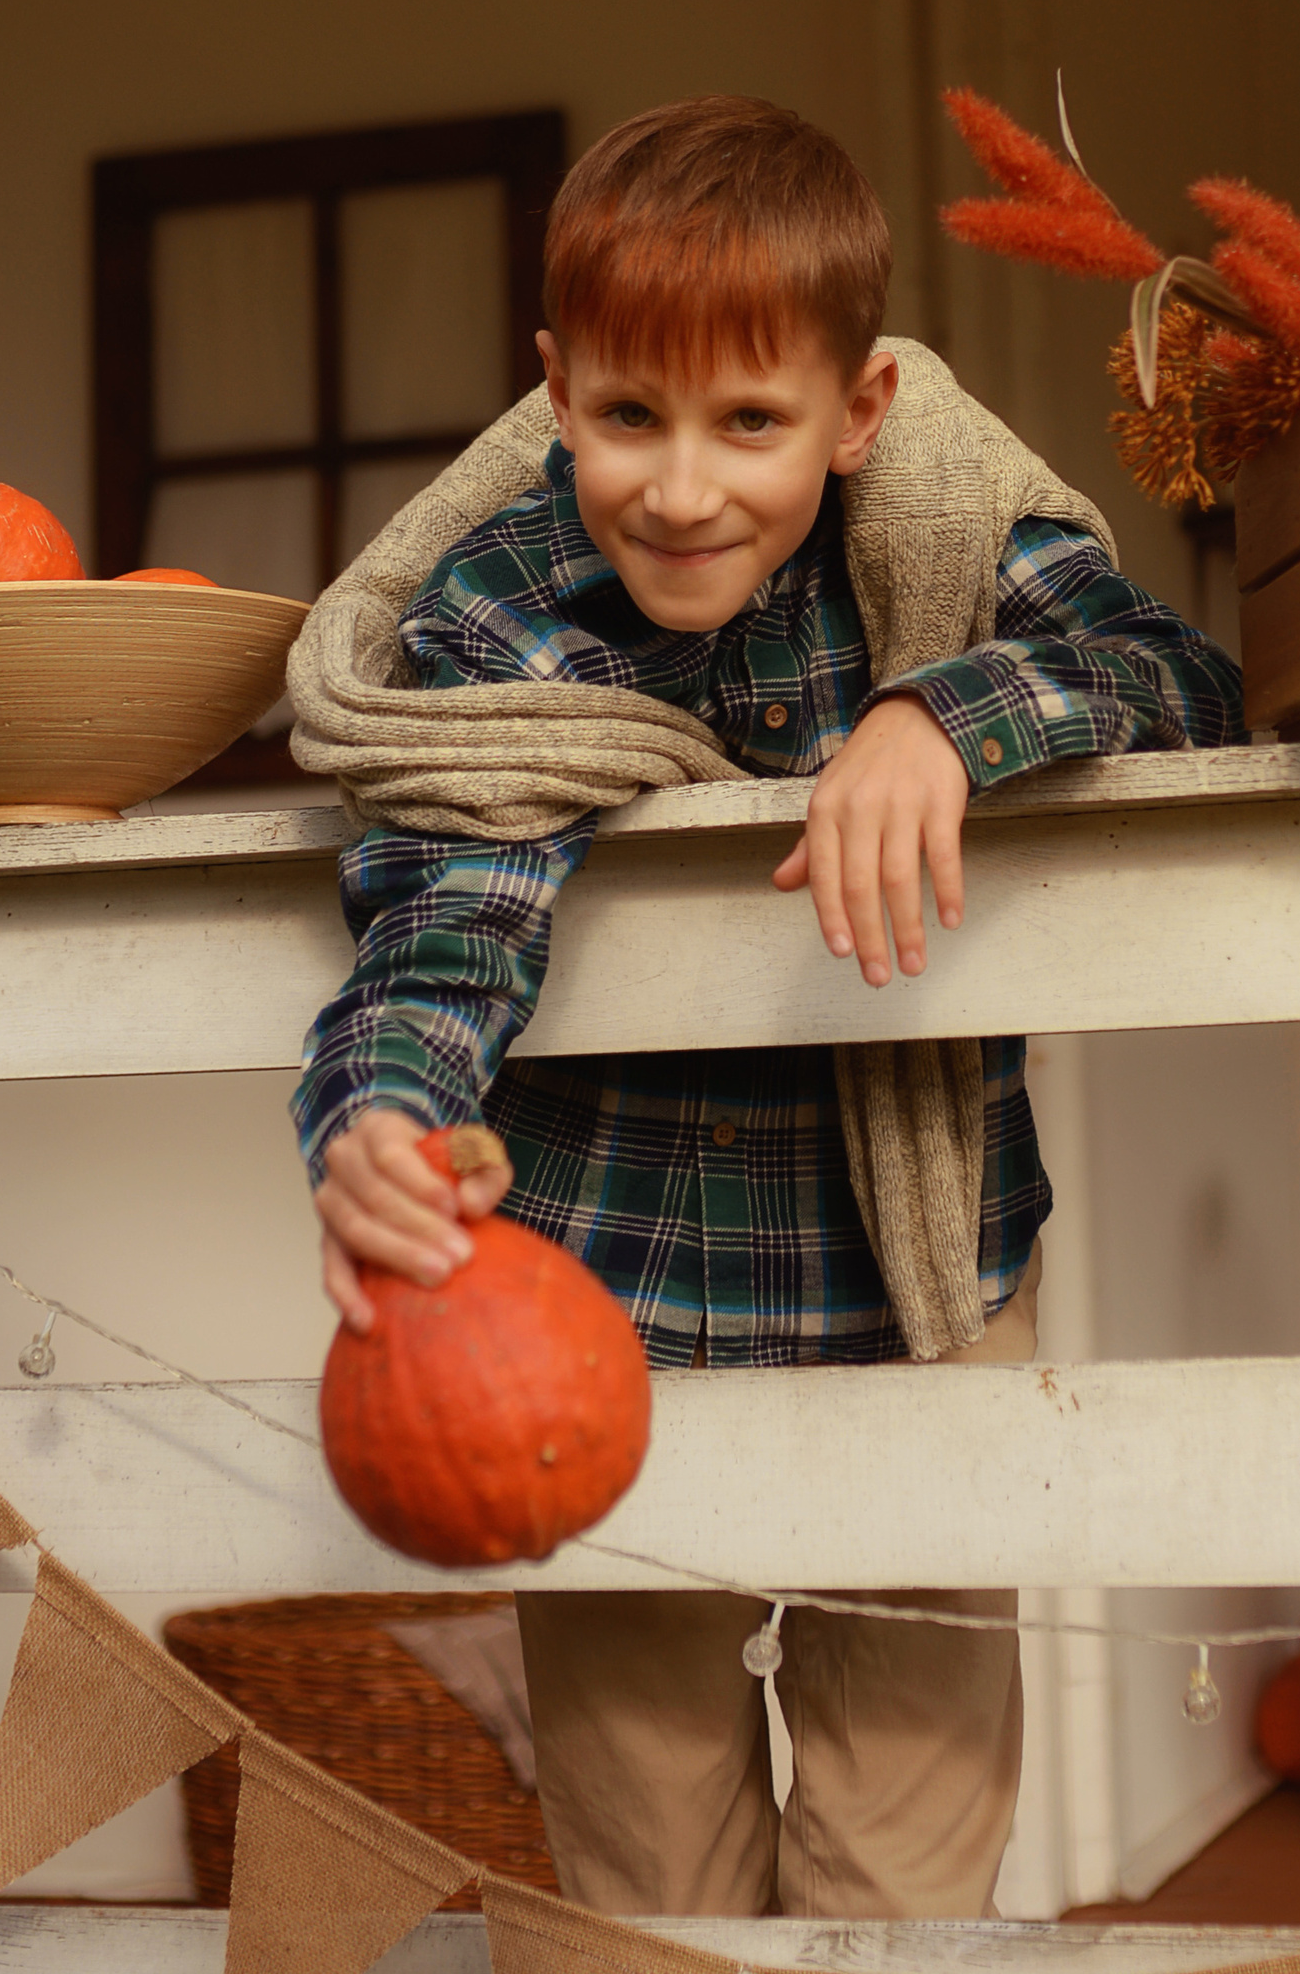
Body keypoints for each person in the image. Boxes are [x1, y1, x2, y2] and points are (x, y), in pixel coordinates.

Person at [287, 93, 1244, 1919]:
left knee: (906, 1850)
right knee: (642, 1871)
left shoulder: (946, 551)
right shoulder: (496, 612)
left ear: (859, 410)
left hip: (923, 1286)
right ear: (555, 391)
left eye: (750, 422)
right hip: (597, 1309)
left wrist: (940, 714)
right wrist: (382, 1123)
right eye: (629, 416)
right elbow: (444, 918)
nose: (682, 483)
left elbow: (1175, 676)